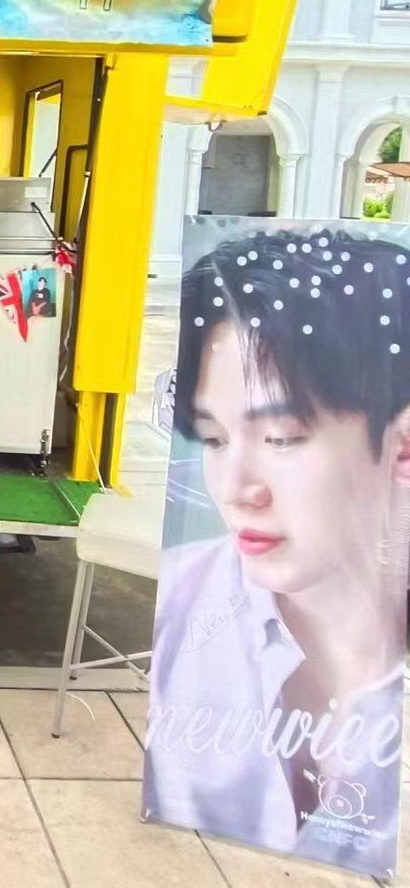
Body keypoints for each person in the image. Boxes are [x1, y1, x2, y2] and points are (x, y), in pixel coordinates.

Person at [144, 227, 409, 877]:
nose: (236, 489)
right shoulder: (184, 604)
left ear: (401, 446)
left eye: (282, 438)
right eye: (212, 439)